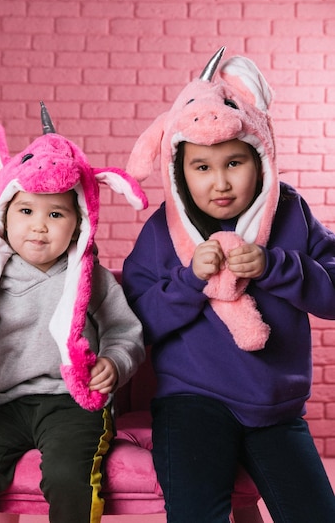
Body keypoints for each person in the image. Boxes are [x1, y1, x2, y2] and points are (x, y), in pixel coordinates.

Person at [122, 47, 335, 523]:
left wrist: (275, 265)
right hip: (192, 402)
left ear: (261, 159)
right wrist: (190, 279)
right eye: (202, 167)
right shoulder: (162, 233)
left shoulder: (291, 214)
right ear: (179, 171)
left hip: (276, 407)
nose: (220, 182)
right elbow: (134, 324)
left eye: (234, 163)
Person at [0, 101, 146, 523]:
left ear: (79, 222)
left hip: (71, 403)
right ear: (4, 218)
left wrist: (114, 363)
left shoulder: (91, 279)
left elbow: (125, 332)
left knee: (68, 476)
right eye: (26, 211)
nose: (39, 226)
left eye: (56, 214)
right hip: (6, 403)